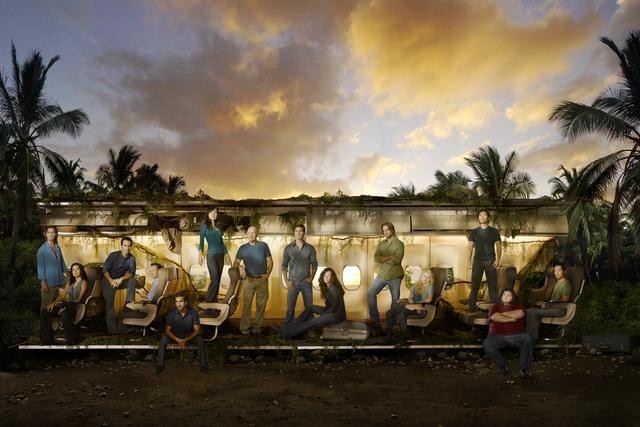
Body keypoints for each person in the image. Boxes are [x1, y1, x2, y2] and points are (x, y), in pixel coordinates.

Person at [281, 268, 346, 339]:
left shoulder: (333, 289)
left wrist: (322, 316)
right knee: (310, 307)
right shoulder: (328, 287)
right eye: (325, 275)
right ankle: (294, 325)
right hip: (330, 311)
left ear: (332, 278)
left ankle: (288, 333)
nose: (326, 277)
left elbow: (334, 307)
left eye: (329, 276)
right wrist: (323, 313)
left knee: (312, 322)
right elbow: (330, 307)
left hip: (336, 315)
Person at [482, 289, 532, 380]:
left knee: (527, 338)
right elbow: (494, 317)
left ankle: (524, 369)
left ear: (513, 297)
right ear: (501, 296)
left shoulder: (518, 306)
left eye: (509, 295)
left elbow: (519, 314)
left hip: (516, 335)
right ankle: (503, 365)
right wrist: (510, 318)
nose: (506, 296)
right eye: (504, 294)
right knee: (487, 344)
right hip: (497, 335)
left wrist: (501, 315)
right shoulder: (494, 307)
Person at [155, 291, 207, 375]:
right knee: (164, 339)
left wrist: (186, 339)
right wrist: (178, 340)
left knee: (199, 340)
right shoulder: (172, 313)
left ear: (186, 302)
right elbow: (168, 330)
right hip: (175, 335)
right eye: (177, 302)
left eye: (181, 301)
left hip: (189, 335)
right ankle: (159, 366)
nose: (178, 304)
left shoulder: (193, 313)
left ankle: (203, 366)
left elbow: (197, 330)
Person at [233, 226, 273, 335]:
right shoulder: (242, 248)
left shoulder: (263, 246)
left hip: (262, 280)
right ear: (246, 234)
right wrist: (241, 267)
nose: (251, 235)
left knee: (261, 305)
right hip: (248, 280)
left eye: (254, 233)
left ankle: (257, 327)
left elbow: (270, 261)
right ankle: (245, 328)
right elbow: (235, 263)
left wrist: (268, 274)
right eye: (249, 232)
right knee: (247, 305)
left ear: (257, 234)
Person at [40, 262, 89, 345]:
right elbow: (62, 295)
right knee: (44, 311)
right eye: (73, 269)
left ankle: (71, 340)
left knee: (64, 313)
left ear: (81, 271)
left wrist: (64, 305)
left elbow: (79, 299)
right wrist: (53, 303)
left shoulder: (84, 282)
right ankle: (48, 340)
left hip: (75, 306)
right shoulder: (70, 282)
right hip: (65, 305)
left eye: (77, 269)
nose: (75, 271)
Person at [384, 268, 434, 347]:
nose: (426, 279)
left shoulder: (429, 287)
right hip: (411, 306)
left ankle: (401, 340)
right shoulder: (416, 285)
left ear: (430, 279)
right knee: (389, 312)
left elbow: (429, 299)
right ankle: (388, 337)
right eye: (424, 276)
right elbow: (410, 297)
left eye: (428, 277)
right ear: (421, 276)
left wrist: (416, 304)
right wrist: (411, 302)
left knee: (402, 313)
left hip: (420, 309)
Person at [367, 221, 404, 325]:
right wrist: (389, 257)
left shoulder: (399, 244)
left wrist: (384, 258)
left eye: (387, 230)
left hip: (395, 275)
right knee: (371, 293)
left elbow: (397, 260)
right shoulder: (381, 244)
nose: (385, 232)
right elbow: (376, 258)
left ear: (392, 230)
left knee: (395, 300)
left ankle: (393, 322)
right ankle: (374, 318)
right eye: (384, 231)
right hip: (383, 274)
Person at [281, 224, 318, 324]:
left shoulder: (310, 248)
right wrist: (286, 281)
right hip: (292, 283)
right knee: (290, 308)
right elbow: (284, 266)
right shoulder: (288, 248)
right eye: (296, 231)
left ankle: (310, 328)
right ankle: (288, 329)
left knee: (309, 307)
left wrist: (311, 278)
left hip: (306, 282)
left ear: (304, 233)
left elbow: (314, 264)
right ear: (294, 233)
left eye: (300, 231)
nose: (298, 233)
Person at [526, 262, 572, 340]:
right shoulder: (557, 282)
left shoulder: (566, 284)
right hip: (552, 306)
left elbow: (564, 301)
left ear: (564, 271)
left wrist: (548, 303)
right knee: (530, 310)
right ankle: (529, 335)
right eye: (555, 271)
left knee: (533, 312)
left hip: (560, 309)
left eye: (559, 270)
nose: (556, 273)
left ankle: (532, 339)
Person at [467, 209, 502, 311]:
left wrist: (498, 260)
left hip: (490, 261)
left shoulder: (494, 231)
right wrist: (469, 261)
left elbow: (499, 246)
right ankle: (471, 308)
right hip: (477, 261)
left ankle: (496, 308)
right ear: (478, 218)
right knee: (474, 286)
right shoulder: (474, 232)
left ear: (488, 218)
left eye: (484, 215)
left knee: (492, 286)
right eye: (480, 215)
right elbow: (469, 247)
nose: (482, 217)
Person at [102, 236, 137, 334]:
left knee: (132, 281)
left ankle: (128, 303)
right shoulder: (113, 255)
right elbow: (105, 270)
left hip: (120, 281)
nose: (127, 248)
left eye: (129, 246)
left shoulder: (131, 258)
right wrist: (111, 281)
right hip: (108, 281)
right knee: (109, 305)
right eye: (125, 245)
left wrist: (121, 279)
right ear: (121, 246)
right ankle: (112, 332)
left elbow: (131, 273)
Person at [199, 207, 228, 303]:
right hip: (211, 256)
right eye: (211, 212)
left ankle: (213, 303)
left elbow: (221, 241)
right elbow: (201, 242)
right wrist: (200, 255)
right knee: (214, 280)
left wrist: (227, 254)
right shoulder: (204, 226)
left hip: (221, 255)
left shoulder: (219, 226)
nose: (213, 214)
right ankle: (208, 301)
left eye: (215, 212)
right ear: (208, 213)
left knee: (218, 280)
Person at [37, 226, 68, 314]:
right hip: (48, 283)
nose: (51, 234)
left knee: (60, 304)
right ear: (45, 234)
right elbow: (40, 267)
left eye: (53, 232)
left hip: (61, 281)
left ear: (56, 234)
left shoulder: (58, 248)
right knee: (45, 307)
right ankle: (43, 327)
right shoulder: (41, 250)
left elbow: (62, 263)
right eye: (49, 232)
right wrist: (43, 283)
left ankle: (57, 325)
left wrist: (68, 275)